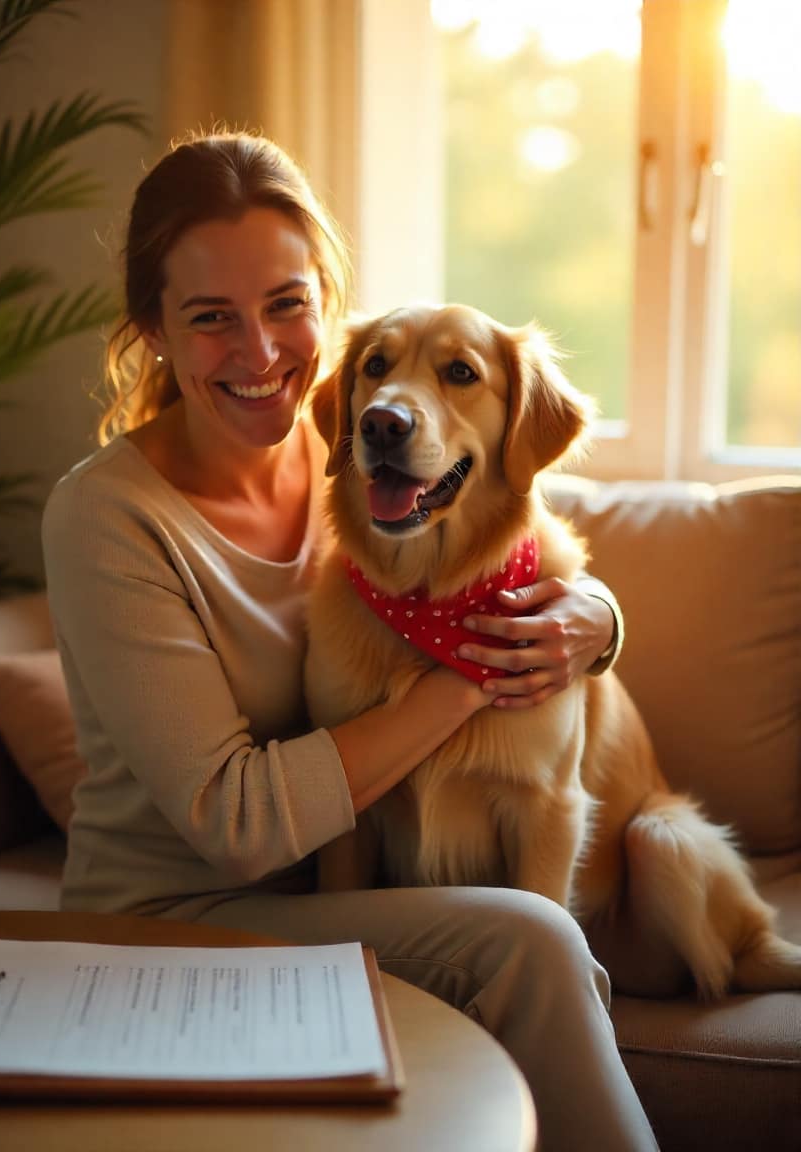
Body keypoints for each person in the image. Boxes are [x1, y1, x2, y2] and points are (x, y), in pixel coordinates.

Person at [42, 129, 657, 1152]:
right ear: (152, 330)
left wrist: (595, 617)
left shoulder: (355, 449)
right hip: (178, 918)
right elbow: (236, 825)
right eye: (208, 320)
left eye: (286, 305)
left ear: (324, 298)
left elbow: (521, 533)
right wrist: (465, 676)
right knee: (533, 943)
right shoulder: (107, 517)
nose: (258, 353)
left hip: (338, 900)